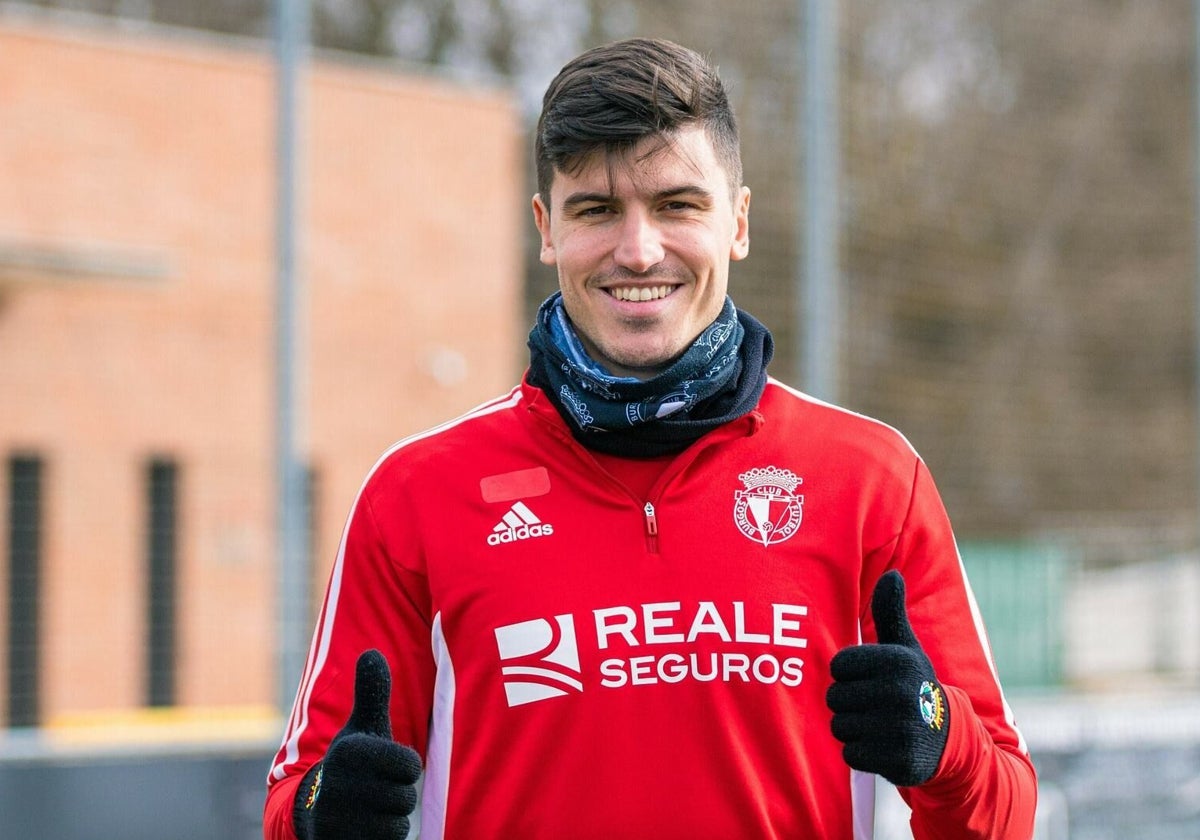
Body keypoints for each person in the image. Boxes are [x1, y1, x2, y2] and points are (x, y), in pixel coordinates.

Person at [264, 37, 1037, 840]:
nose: (639, 251)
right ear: (546, 228)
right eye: (597, 210)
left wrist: (941, 745)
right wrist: (330, 813)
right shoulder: (417, 495)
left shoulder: (871, 477)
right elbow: (292, 808)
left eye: (677, 204)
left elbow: (1006, 814)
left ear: (736, 221)